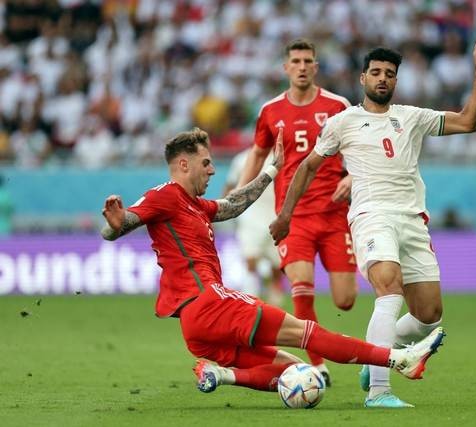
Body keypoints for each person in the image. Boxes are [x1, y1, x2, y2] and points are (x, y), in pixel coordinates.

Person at [100, 127, 445, 398]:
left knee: (297, 372)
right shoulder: (165, 195)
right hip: (207, 302)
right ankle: (397, 359)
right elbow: (121, 224)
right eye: (206, 163)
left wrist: (271, 170)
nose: (212, 169)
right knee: (309, 334)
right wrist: (117, 224)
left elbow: (232, 204)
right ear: (184, 164)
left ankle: (222, 375)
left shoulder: (193, 204)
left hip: (195, 327)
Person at [270, 31, 476, 408]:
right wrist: (286, 215)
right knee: (389, 289)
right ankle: (379, 390)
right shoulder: (344, 122)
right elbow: (307, 167)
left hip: (412, 220)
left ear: (396, 80)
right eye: (375, 72)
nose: (382, 78)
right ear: (363, 78)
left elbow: (469, 121)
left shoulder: (413, 117)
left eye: (389, 73)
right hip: (371, 217)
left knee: (428, 315)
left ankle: (379, 353)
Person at [237, 39, 357, 385]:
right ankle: (317, 364)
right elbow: (258, 155)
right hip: (294, 216)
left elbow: (359, 151)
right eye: (296, 61)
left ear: (315, 67)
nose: (302, 66)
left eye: (308, 61)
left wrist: (351, 177)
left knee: (345, 300)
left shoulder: (338, 105)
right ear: (286, 68)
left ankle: (322, 350)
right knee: (301, 288)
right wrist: (241, 195)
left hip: (334, 216)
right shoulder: (270, 111)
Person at [224, 147, 284, 305]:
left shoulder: (281, 159)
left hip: (275, 218)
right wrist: (222, 210)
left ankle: (274, 294)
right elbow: (231, 186)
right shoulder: (241, 159)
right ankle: (250, 301)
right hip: (250, 218)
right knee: (251, 260)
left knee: (277, 266)